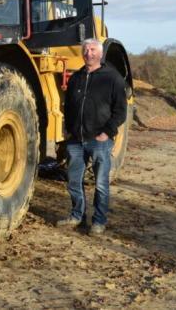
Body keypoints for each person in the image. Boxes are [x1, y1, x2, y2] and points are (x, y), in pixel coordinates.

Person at [57, 38, 127, 235]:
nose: (89, 53)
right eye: (86, 50)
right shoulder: (77, 77)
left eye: (93, 50)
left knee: (101, 184)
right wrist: (68, 130)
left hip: (99, 141)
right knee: (73, 180)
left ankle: (99, 221)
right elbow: (69, 106)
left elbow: (120, 111)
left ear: (100, 53)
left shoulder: (112, 78)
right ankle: (77, 216)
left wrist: (107, 132)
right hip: (76, 141)